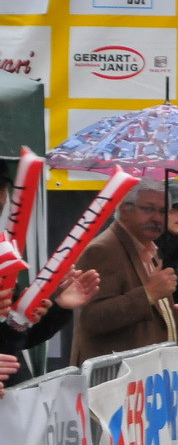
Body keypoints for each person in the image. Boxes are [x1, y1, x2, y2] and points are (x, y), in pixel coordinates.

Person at [0, 158, 100, 386]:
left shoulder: (3, 251)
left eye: (2, 188)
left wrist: (56, 307)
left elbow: (14, 342)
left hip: (14, 394)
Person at [71, 182, 178, 366]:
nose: (157, 218)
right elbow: (91, 319)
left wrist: (173, 317)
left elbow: (144, 314)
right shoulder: (103, 250)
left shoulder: (148, 248)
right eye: (149, 209)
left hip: (148, 374)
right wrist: (148, 293)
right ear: (125, 210)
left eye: (163, 211)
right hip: (115, 376)